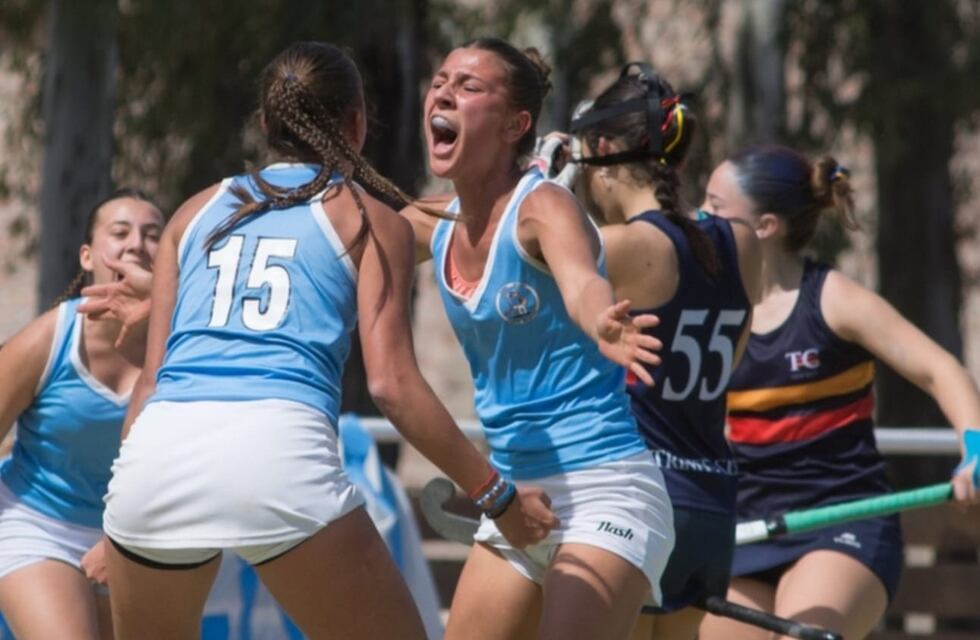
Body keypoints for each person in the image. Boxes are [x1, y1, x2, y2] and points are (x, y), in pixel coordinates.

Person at [101, 41, 557, 640]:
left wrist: (118, 526)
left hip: (153, 463)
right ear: (356, 124)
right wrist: (496, 496)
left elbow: (150, 385)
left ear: (265, 124)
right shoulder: (368, 218)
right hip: (276, 454)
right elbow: (392, 386)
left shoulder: (192, 213)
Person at [402, 38, 672, 640]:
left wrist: (600, 319)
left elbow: (581, 283)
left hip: (606, 491)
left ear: (514, 125)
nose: (444, 93)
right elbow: (346, 234)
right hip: (516, 498)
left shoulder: (543, 207)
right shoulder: (429, 221)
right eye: (440, 80)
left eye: (469, 86)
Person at [697, 145, 980, 640]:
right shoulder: (710, 307)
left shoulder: (832, 300)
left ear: (765, 226)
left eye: (715, 206)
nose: (700, 216)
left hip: (841, 523)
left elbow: (941, 370)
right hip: (748, 529)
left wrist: (974, 451)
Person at [556, 64, 763, 640]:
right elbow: (732, 359)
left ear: (601, 151)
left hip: (639, 504)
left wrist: (545, 186)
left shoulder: (619, 246)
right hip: (713, 505)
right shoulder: (741, 241)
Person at [0, 189, 163, 640]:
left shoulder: (182, 347)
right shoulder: (49, 339)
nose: (136, 244)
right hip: (36, 523)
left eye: (153, 235)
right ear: (88, 257)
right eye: (120, 232)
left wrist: (121, 541)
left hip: (133, 538)